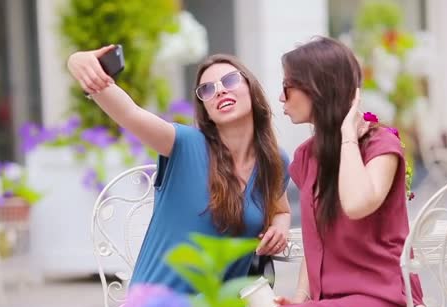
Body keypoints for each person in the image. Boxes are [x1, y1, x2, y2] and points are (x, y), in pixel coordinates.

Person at [67, 46, 291, 293]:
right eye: (207, 89)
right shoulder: (182, 144)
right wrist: (79, 63)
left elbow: (280, 209)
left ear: (251, 88)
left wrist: (280, 226)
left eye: (229, 80)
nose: (220, 90)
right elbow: (129, 113)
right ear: (204, 108)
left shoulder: (274, 160)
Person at [274, 36, 429, 307]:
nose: (281, 98)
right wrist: (301, 298)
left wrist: (347, 134)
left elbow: (358, 203)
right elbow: (316, 240)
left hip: (384, 304)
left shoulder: (381, 145)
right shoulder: (306, 157)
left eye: (287, 87)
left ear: (316, 88)